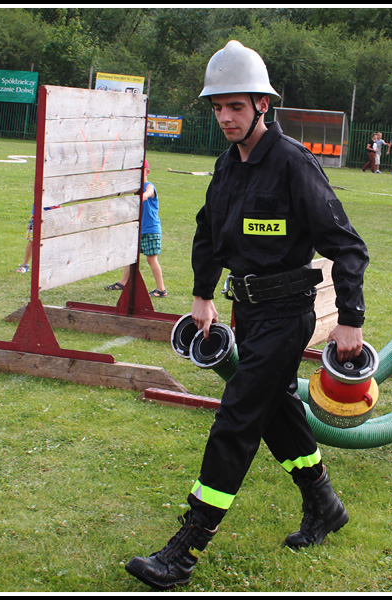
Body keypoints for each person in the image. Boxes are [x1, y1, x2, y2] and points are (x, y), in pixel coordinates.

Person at [125, 40, 369, 591]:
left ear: (262, 104)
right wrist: (202, 294)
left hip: (288, 314)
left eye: (235, 106)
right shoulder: (226, 166)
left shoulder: (292, 163)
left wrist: (350, 317)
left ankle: (184, 552)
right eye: (217, 108)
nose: (225, 118)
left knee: (236, 417)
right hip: (246, 313)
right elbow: (210, 231)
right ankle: (323, 504)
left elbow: (347, 246)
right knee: (275, 410)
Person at [104, 159, 167, 297]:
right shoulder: (135, 188)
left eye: (141, 172)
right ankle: (123, 283)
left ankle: (161, 289)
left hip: (151, 230)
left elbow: (150, 192)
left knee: (151, 259)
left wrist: (144, 195)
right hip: (138, 230)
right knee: (131, 257)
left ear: (147, 172)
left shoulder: (149, 186)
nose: (137, 175)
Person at [16, 203, 60, 273]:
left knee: (54, 240)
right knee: (32, 240)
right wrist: (40, 213)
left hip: (54, 216)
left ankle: (52, 264)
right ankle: (25, 265)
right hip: (38, 215)